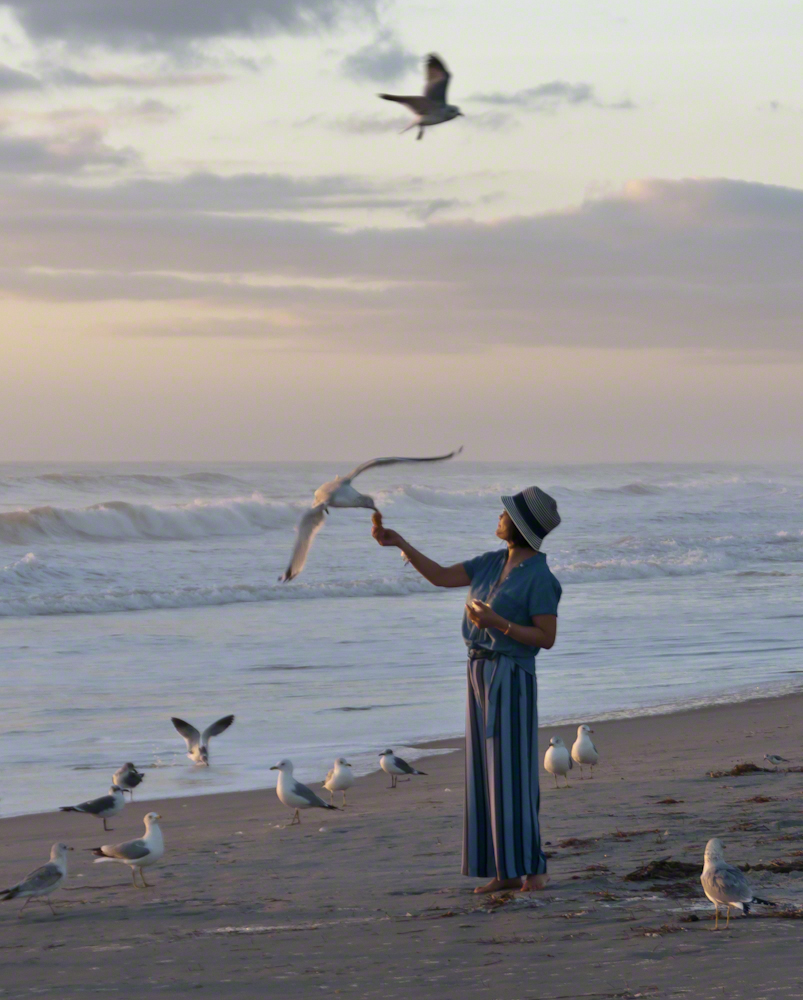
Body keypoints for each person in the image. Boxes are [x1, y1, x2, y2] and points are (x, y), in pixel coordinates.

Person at [372, 486, 562, 893]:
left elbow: (546, 637)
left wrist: (497, 623)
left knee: (513, 774)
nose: (498, 519)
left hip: (511, 676)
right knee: (486, 774)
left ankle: (534, 867)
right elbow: (441, 577)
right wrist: (400, 542)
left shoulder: (541, 578)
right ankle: (506, 870)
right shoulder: (493, 562)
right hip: (478, 674)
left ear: (521, 526)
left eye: (505, 515)